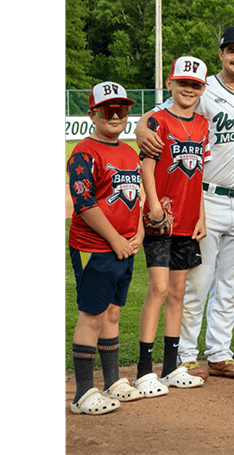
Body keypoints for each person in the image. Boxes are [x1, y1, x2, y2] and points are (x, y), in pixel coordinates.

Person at [136, 25, 234, 379]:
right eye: (233, 50)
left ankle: (220, 353)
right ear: (221, 53)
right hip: (205, 196)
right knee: (196, 282)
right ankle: (186, 355)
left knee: (230, 285)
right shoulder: (203, 88)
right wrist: (139, 129)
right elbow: (155, 117)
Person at [68, 81, 145, 414]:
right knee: (92, 314)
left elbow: (136, 201)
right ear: (92, 114)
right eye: (107, 109)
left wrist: (138, 232)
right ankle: (83, 393)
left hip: (124, 247)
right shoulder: (84, 152)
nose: (115, 114)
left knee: (112, 313)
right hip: (96, 247)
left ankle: (113, 381)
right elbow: (84, 203)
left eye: (122, 108)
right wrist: (115, 239)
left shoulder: (128, 152)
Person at [135, 57, 210, 395]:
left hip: (187, 219)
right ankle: (143, 370)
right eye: (183, 83)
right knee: (159, 289)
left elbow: (200, 177)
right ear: (170, 84)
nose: (188, 89)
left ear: (202, 89)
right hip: (161, 218)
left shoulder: (203, 125)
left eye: (195, 84)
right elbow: (147, 168)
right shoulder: (158, 121)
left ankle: (170, 367)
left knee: (178, 293)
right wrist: (152, 206)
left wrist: (202, 216)